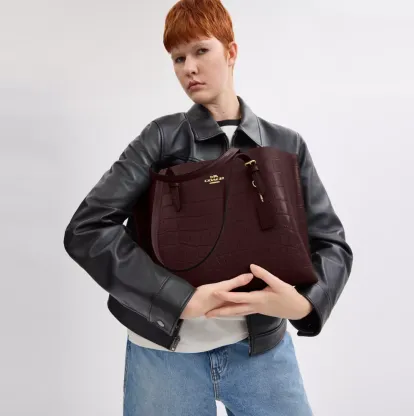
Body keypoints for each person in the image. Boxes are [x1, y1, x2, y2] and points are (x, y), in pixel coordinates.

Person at [63, 0, 353, 414]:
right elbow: (88, 230)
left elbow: (331, 243)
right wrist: (180, 299)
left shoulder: (284, 145)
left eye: (201, 50)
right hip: (165, 356)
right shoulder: (161, 138)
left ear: (231, 52)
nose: (189, 68)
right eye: (178, 58)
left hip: (262, 352)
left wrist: (306, 304)